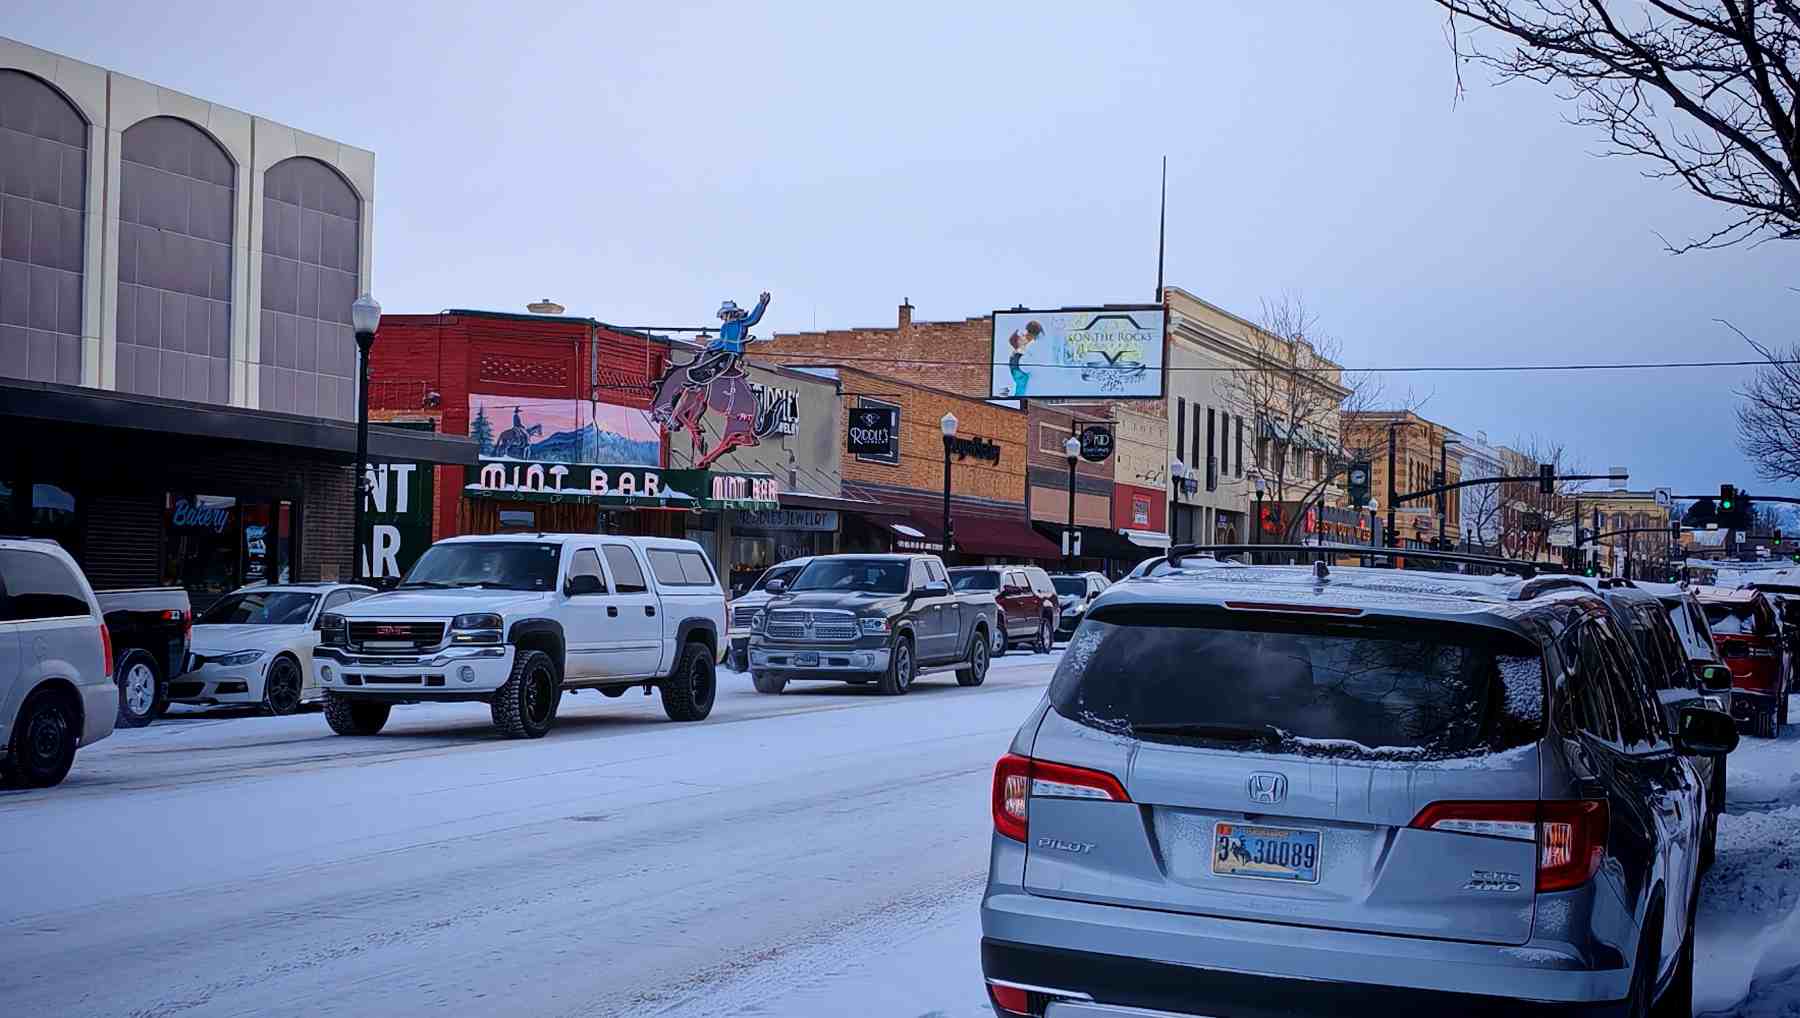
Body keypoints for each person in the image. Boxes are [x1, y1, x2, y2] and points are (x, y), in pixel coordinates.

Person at [689, 291, 771, 385]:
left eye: (723, 314)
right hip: (724, 351)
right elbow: (722, 342)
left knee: (720, 360)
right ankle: (700, 376)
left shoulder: (740, 323)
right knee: (709, 356)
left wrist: (761, 304)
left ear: (729, 313)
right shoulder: (724, 327)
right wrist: (711, 347)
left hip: (734, 352)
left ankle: (704, 374)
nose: (722, 317)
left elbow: (753, 318)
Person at [1006, 320, 1043, 396]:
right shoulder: (1024, 338)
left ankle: (1018, 397)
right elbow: (1012, 340)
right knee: (1021, 383)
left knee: (1021, 383)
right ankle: (1018, 398)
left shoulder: (1027, 340)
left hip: (1015, 361)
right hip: (1016, 361)